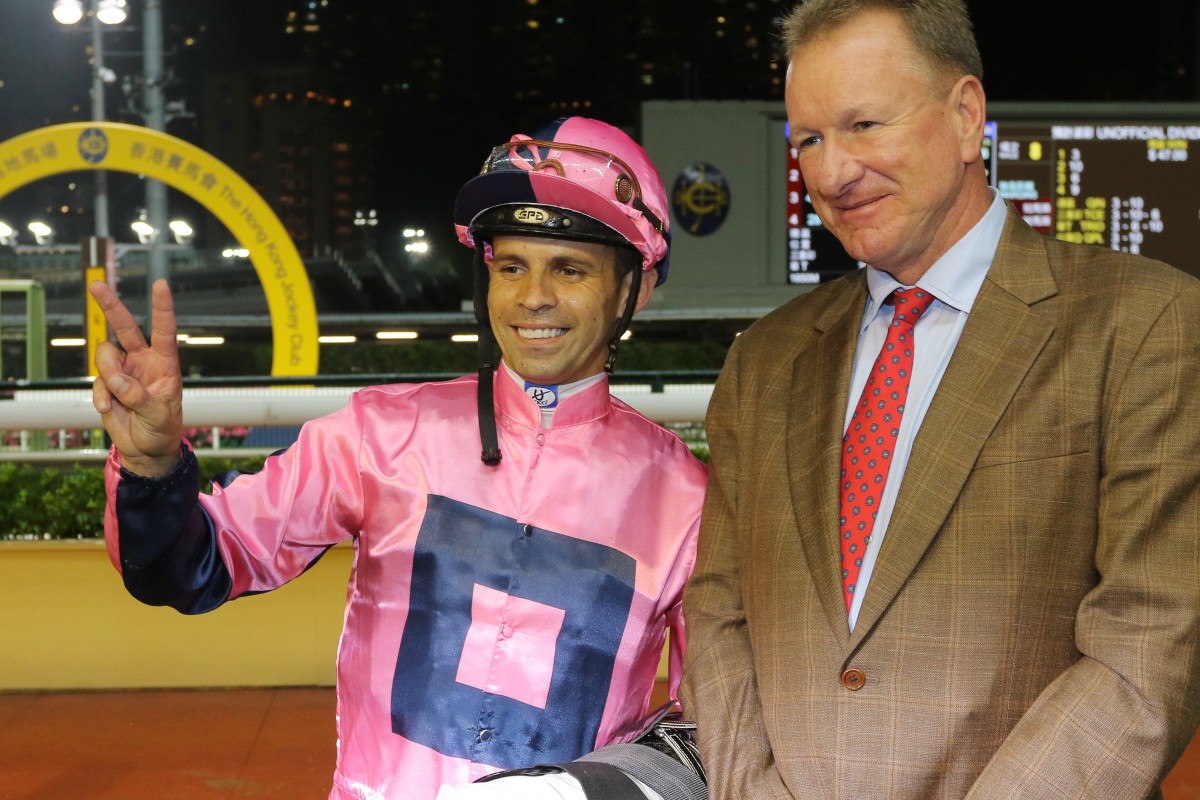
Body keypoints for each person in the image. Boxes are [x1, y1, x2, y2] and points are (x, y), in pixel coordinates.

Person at [89, 116, 707, 800]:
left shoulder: (690, 500)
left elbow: (712, 729)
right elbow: (192, 566)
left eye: (570, 268)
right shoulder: (378, 433)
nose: (533, 297)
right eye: (511, 267)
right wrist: (150, 466)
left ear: (634, 290)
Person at [679, 1, 1200, 798]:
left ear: (965, 117)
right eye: (809, 139)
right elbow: (719, 618)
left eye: (864, 125)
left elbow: (1151, 643)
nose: (831, 172)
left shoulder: (1144, 323)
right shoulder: (765, 361)